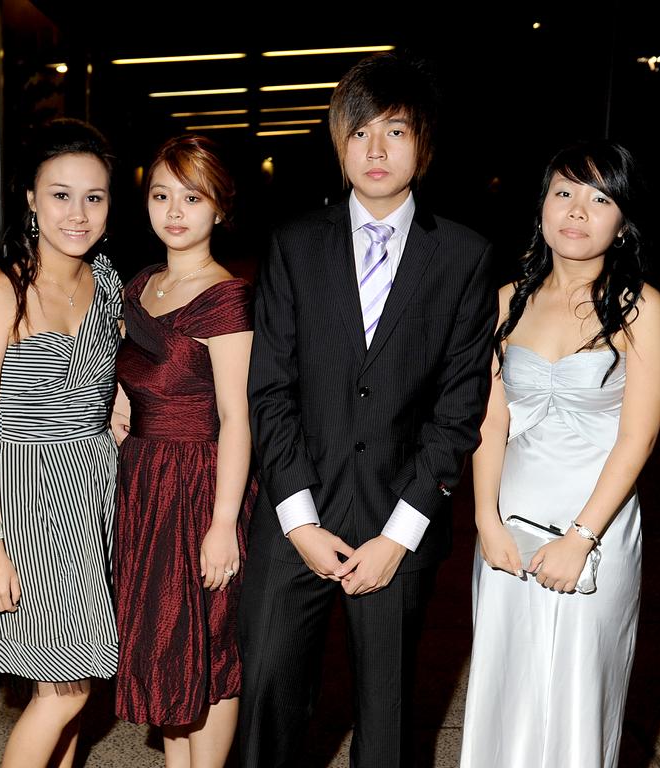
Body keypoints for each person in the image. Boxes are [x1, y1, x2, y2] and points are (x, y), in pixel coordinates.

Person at [239, 53, 497, 767]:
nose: (376, 150)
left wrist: (400, 534)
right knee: (265, 693)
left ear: (425, 144)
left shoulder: (465, 258)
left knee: (386, 718)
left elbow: (459, 405)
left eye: (395, 131)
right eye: (359, 133)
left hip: (397, 516)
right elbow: (271, 388)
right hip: (297, 510)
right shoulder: (294, 244)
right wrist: (298, 519)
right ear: (337, 143)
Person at [460, 140, 660, 768]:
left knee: (582, 685)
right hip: (510, 519)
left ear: (622, 219)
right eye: (564, 194)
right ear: (543, 207)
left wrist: (581, 535)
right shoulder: (506, 301)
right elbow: (489, 420)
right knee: (506, 681)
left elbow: (639, 438)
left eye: (599, 198)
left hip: (595, 520)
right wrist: (485, 522)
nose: (577, 211)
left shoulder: (640, 308)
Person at [0, 118, 122, 768]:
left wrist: (118, 402)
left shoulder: (103, 283)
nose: (78, 213)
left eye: (94, 196)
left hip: (91, 493)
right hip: (24, 499)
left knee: (75, 673)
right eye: (61, 194)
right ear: (31, 198)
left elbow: (104, 370)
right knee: (65, 691)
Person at [112, 134, 256, 768]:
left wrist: (224, 523)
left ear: (219, 208)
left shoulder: (228, 297)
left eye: (191, 198)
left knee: (211, 638)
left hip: (201, 482)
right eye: (161, 195)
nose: (174, 211)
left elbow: (236, 416)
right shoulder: (141, 283)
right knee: (164, 639)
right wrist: (121, 396)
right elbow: (135, 366)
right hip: (144, 477)